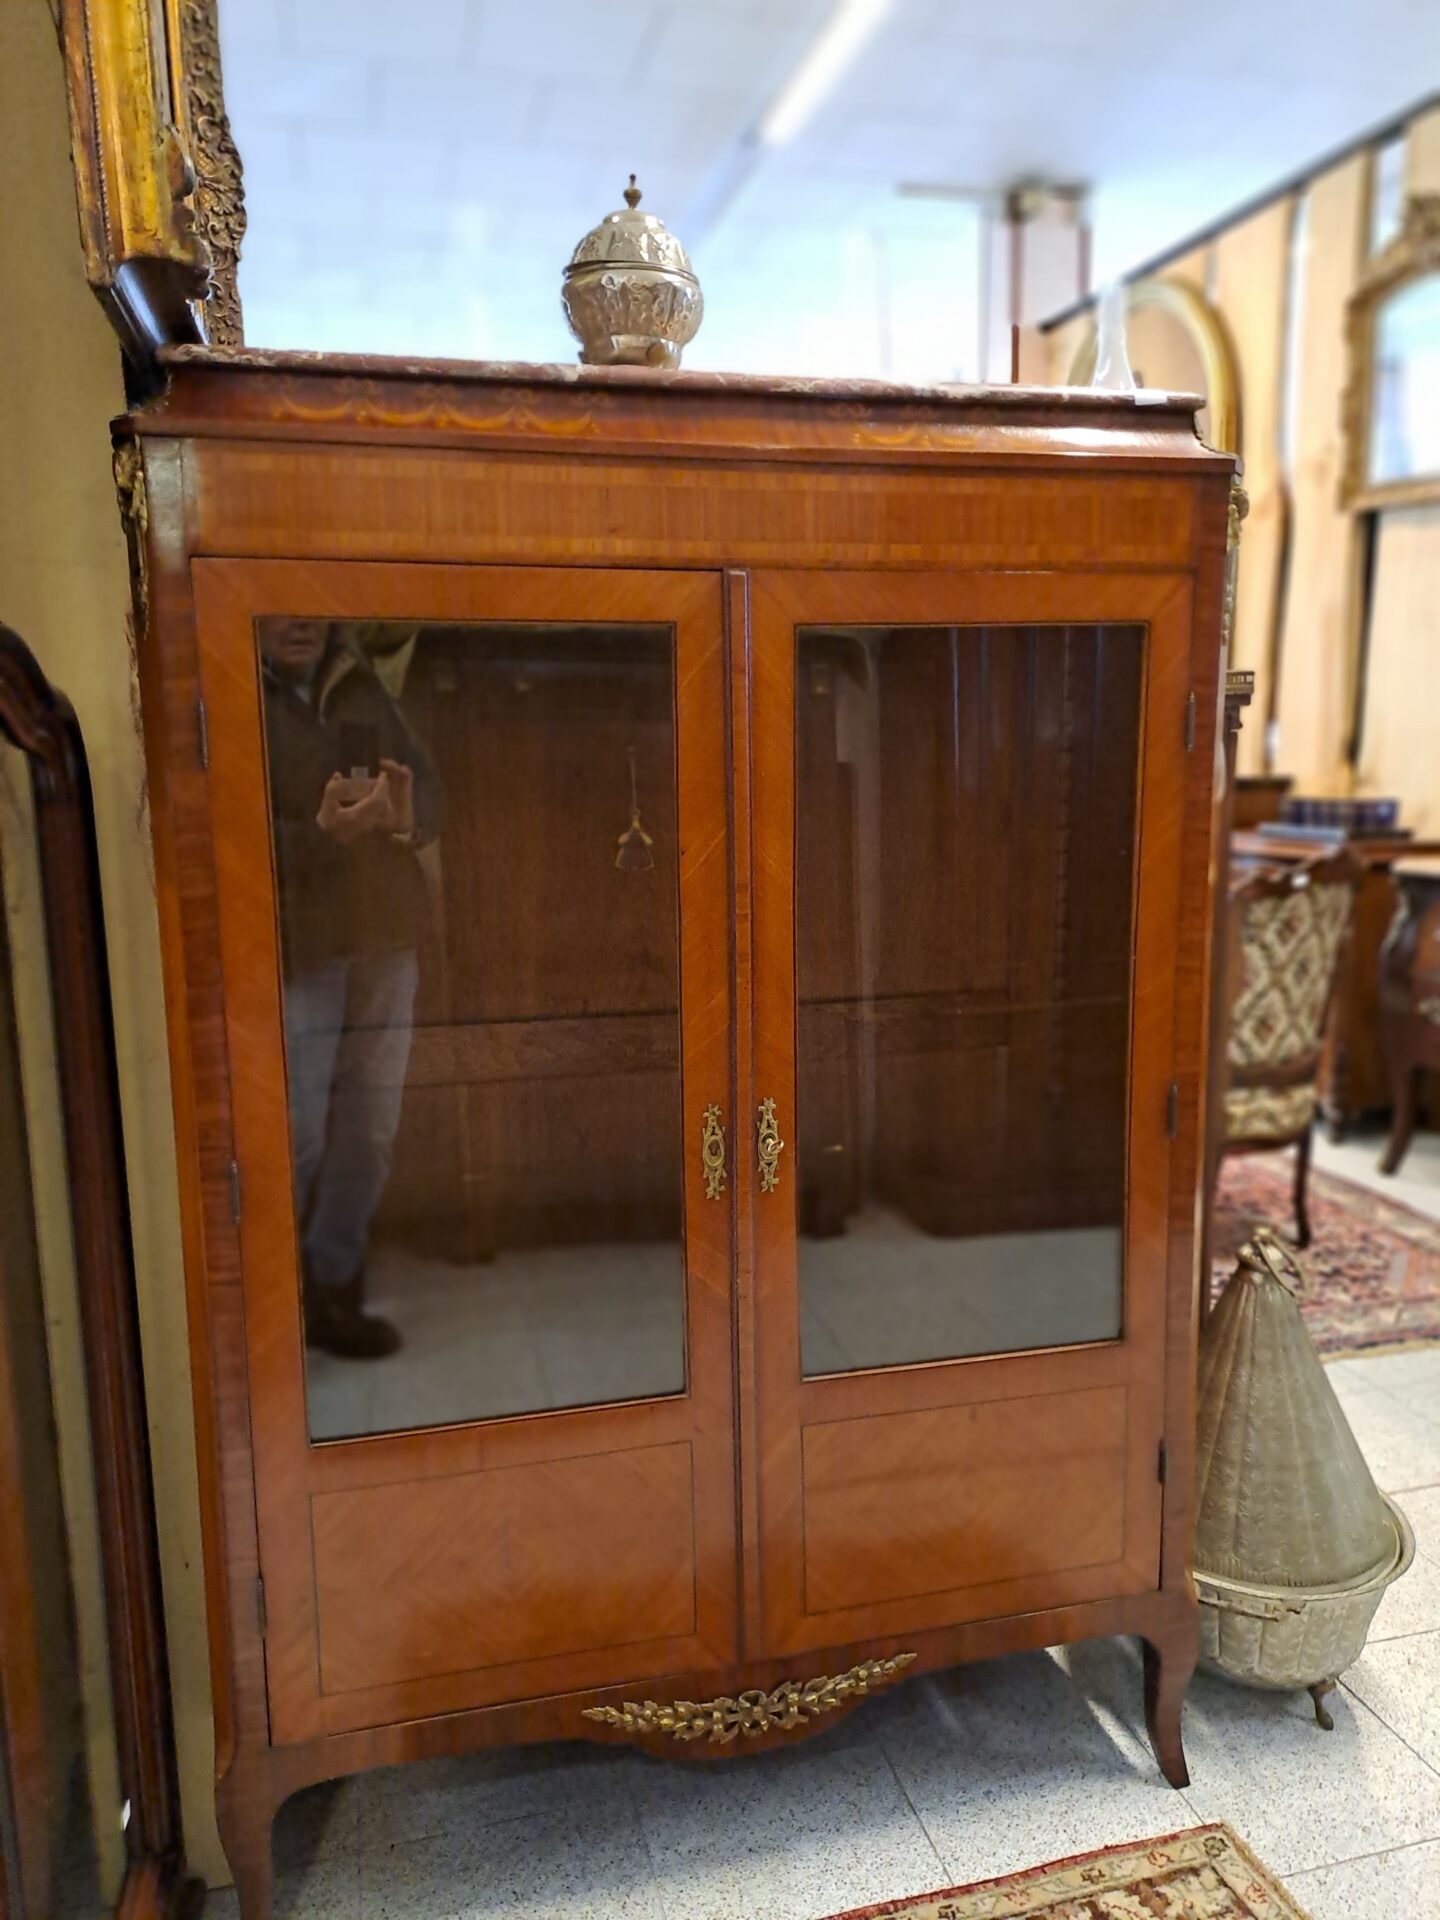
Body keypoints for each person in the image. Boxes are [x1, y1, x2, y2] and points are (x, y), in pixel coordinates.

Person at [260, 619, 439, 1358]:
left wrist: (407, 818)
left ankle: (333, 1291)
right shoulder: (234, 686)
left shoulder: (361, 680)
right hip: (298, 945)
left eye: (310, 604)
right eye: (280, 606)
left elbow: (428, 788)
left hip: (386, 937)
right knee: (295, 1135)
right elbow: (223, 832)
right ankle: (281, 1299)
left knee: (370, 1128)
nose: (299, 620)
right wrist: (318, 836)